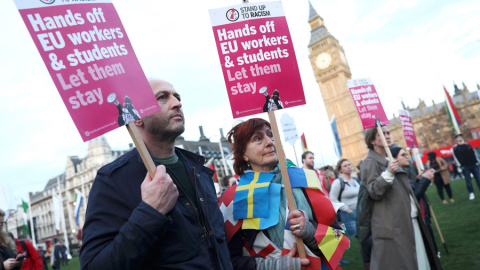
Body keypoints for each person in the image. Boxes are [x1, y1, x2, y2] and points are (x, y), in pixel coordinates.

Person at [80, 79, 232, 269]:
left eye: (177, 97)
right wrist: (150, 212)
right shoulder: (113, 180)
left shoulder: (200, 171)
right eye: (162, 97)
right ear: (137, 118)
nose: (177, 103)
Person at [220, 118, 346, 269]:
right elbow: (226, 260)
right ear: (244, 154)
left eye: (271, 135)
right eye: (258, 138)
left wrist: (311, 232)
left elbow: (337, 237)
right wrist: (271, 266)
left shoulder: (305, 178)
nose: (269, 142)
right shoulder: (234, 197)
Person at [360, 126, 440, 270]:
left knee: (421, 262)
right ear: (372, 140)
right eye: (382, 134)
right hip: (396, 225)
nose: (387, 136)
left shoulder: (388, 158)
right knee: (408, 262)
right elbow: (374, 191)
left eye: (388, 133)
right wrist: (388, 173)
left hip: (410, 219)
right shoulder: (370, 162)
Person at [393, 148, 440, 256]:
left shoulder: (402, 173)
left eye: (406, 154)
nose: (407, 156)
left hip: (422, 214)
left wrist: (418, 180)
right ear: (395, 159)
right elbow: (414, 196)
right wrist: (425, 180)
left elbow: (411, 190)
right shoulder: (397, 175)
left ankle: (434, 254)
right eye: (403, 155)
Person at [329, 159, 359, 238]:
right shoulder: (338, 182)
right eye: (345, 166)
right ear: (340, 169)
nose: (348, 167)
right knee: (362, 239)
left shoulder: (355, 180)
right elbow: (332, 198)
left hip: (361, 212)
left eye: (349, 165)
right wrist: (347, 210)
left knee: (367, 237)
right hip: (349, 214)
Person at [452, 134, 480, 200]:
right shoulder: (455, 148)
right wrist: (460, 166)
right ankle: (471, 193)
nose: (459, 138)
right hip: (465, 166)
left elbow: (473, 153)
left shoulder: (468, 145)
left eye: (460, 137)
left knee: (478, 179)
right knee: (468, 181)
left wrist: (477, 161)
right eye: (458, 137)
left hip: (474, 164)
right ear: (456, 140)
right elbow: (455, 157)